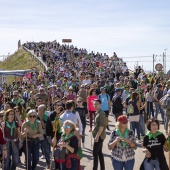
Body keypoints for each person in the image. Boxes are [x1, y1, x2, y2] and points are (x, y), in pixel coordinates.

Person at [92, 99, 106, 170]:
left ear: (100, 104)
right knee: (99, 152)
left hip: (99, 136)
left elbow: (101, 126)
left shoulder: (101, 113)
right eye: (94, 104)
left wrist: (97, 136)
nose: (95, 105)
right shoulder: (97, 112)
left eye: (97, 104)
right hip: (98, 135)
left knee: (95, 153)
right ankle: (102, 168)